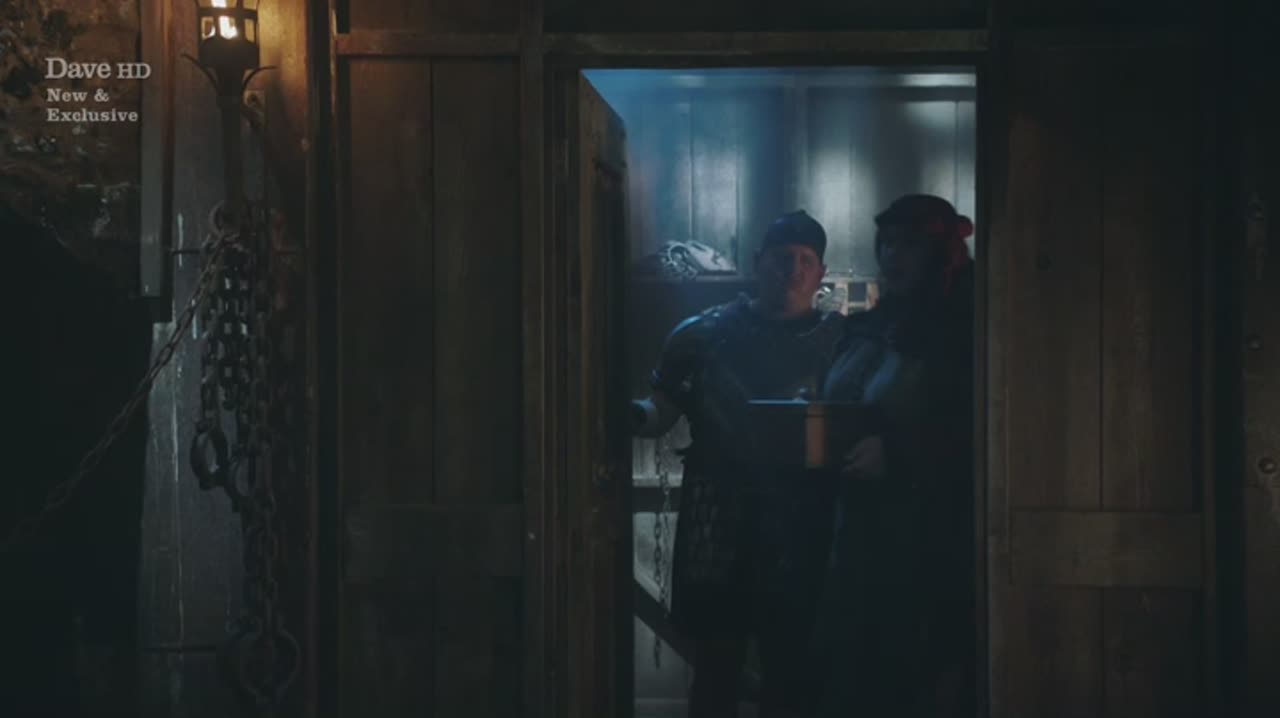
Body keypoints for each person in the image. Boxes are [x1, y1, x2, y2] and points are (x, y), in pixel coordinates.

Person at [631, 210, 845, 718]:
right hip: (720, 520)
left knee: (792, 670)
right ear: (757, 262)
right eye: (782, 257)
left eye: (805, 260)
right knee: (716, 667)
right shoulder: (705, 335)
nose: (792, 269)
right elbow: (662, 409)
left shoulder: (842, 344)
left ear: (820, 272)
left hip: (805, 523)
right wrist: (631, 415)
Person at [810, 194, 976, 718]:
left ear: (938, 253)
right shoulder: (871, 325)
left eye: (909, 245)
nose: (892, 256)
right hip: (855, 534)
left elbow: (988, 431)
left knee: (914, 679)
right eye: (886, 243)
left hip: (927, 540)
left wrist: (900, 454)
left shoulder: (966, 328)